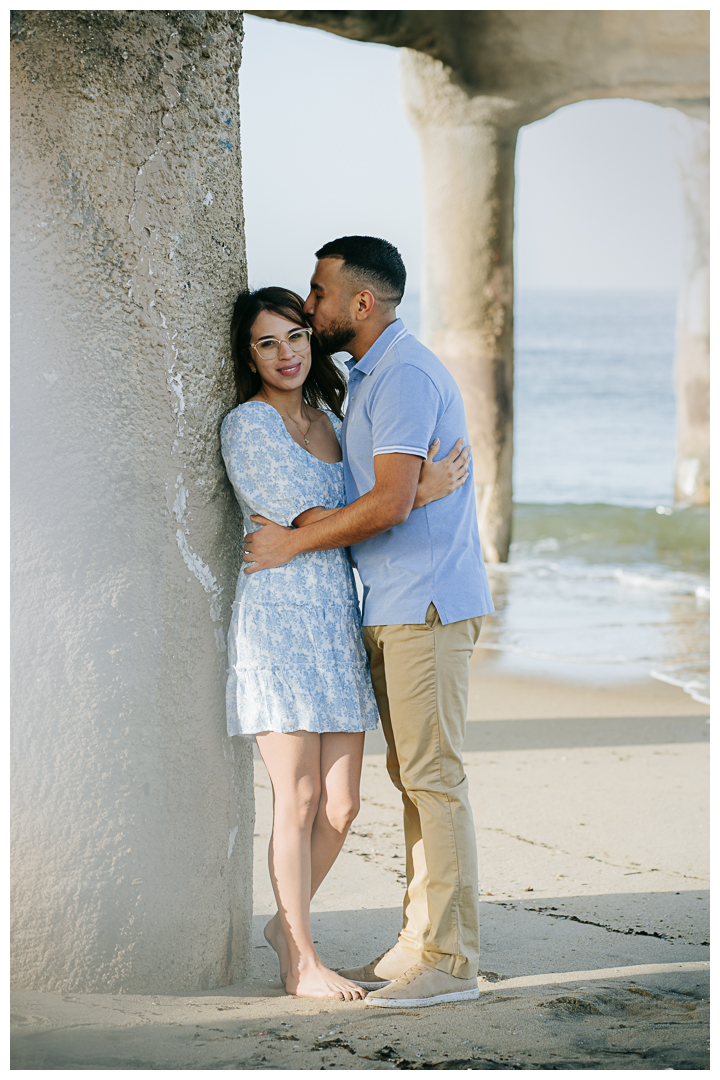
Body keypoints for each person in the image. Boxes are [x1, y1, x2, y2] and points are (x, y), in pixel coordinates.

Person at [243, 236, 495, 1009]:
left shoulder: (405, 376)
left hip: (424, 604)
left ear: (361, 303)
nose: (308, 307)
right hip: (387, 605)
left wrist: (292, 540)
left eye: (317, 296)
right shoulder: (367, 378)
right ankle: (422, 941)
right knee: (412, 777)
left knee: (433, 780)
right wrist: (402, 496)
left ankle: (449, 962)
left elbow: (383, 502)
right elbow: (374, 494)